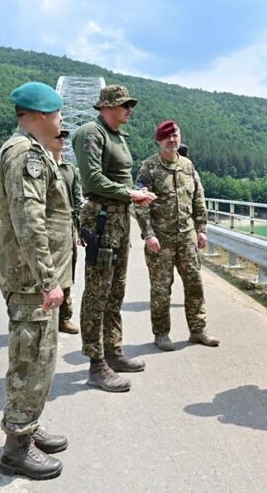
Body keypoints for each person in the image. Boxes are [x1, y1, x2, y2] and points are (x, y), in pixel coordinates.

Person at [0, 81, 72, 479]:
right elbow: (29, 221)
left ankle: (29, 424)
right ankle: (16, 448)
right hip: (30, 282)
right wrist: (47, 279)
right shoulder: (26, 155)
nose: (61, 120)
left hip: (32, 280)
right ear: (41, 115)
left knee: (40, 360)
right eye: (57, 113)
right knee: (30, 360)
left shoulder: (31, 150)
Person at [72, 85, 156, 392]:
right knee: (98, 292)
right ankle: (96, 365)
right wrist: (130, 194)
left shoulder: (117, 136)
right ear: (106, 106)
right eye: (124, 104)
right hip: (103, 219)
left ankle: (113, 351)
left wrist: (134, 193)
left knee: (115, 290)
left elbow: (117, 178)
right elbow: (92, 179)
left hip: (119, 219)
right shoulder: (91, 133)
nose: (129, 109)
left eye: (130, 104)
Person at [135, 120, 219, 351]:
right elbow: (141, 204)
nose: (172, 140)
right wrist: (148, 235)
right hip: (161, 240)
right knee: (161, 289)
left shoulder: (188, 166)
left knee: (195, 284)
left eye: (175, 135)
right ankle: (161, 333)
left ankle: (198, 330)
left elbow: (198, 199)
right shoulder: (149, 167)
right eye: (167, 137)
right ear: (159, 141)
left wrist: (201, 229)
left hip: (187, 237)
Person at [52, 128, 83, 335]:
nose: (62, 139)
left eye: (64, 136)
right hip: (48, 229)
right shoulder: (43, 165)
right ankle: (45, 317)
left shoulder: (70, 170)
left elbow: (78, 201)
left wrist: (81, 229)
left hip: (67, 228)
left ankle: (64, 317)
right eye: (58, 136)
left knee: (67, 273)